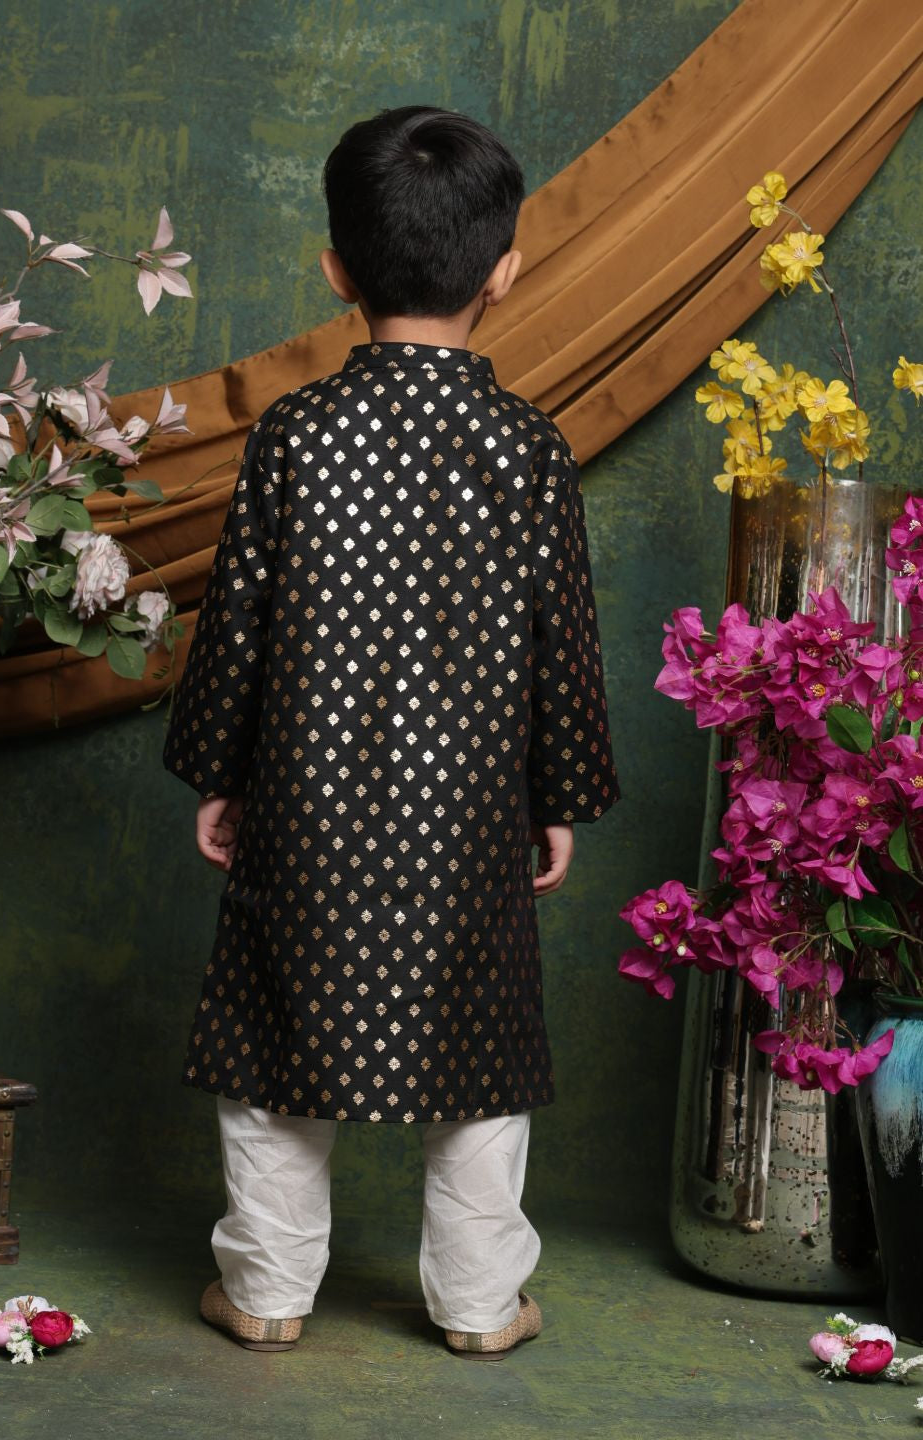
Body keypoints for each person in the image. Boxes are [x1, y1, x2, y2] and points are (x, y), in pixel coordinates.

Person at [163, 105, 620, 1361]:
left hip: (303, 805)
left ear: (335, 271)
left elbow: (238, 623)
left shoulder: (296, 436)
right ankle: (477, 1304)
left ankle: (265, 1291)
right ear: (507, 270)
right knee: (476, 1060)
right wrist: (558, 794)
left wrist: (219, 773)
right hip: (468, 817)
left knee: (274, 1039)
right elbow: (560, 645)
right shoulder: (529, 449)